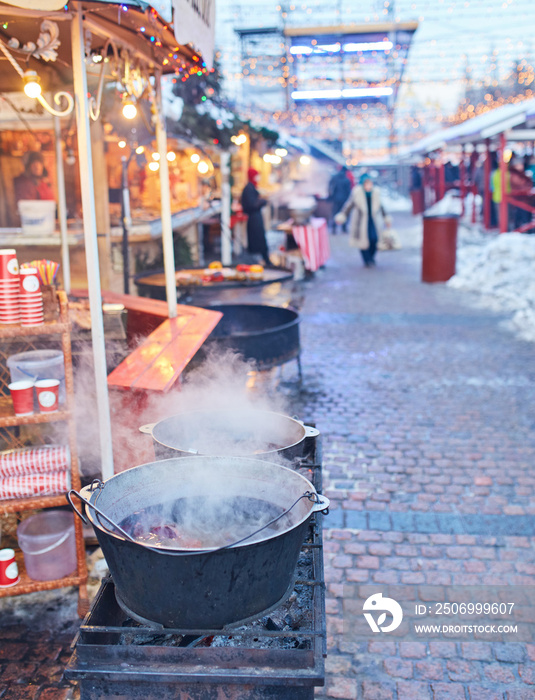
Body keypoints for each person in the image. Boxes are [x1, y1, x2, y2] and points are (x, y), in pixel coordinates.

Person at [335, 173, 390, 268]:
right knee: (362, 240)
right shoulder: (357, 193)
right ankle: (367, 260)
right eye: (366, 183)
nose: (368, 185)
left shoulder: (376, 193)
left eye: (370, 183)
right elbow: (349, 206)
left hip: (373, 221)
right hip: (360, 222)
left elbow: (381, 207)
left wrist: (386, 218)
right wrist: (342, 216)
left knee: (374, 239)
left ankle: (371, 257)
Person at [240, 168, 271, 266]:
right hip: (254, 219)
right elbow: (252, 204)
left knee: (259, 239)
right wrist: (263, 201)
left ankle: (263, 260)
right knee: (258, 239)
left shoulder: (251, 187)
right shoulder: (249, 188)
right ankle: (258, 262)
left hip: (256, 217)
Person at [328, 166, 352, 233]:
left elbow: (330, 187)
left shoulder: (335, 177)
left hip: (335, 199)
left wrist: (331, 196)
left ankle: (333, 229)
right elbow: (348, 191)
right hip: (344, 199)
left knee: (334, 213)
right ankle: (344, 228)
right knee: (344, 213)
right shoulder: (346, 179)